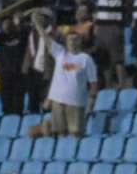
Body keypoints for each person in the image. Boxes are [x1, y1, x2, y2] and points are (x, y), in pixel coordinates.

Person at [32, 8, 98, 137]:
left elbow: (93, 84)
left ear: (80, 41)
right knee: (60, 132)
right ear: (66, 42)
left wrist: (91, 102)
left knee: (76, 133)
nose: (73, 42)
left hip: (76, 101)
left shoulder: (86, 59)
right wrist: (38, 25)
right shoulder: (60, 53)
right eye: (70, 40)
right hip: (58, 101)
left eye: (75, 39)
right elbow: (45, 38)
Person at [0, 10, 29, 114]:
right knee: (6, 106)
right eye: (4, 24)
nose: (6, 26)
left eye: (9, 23)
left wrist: (20, 21)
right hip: (4, 76)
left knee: (17, 106)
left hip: (19, 76)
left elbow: (25, 31)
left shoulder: (20, 37)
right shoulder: (1, 39)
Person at [23, 7, 55, 114]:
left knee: (47, 104)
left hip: (48, 73)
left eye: (39, 17)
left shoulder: (55, 34)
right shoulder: (33, 34)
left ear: (47, 19)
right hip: (34, 72)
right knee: (33, 103)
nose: (36, 20)